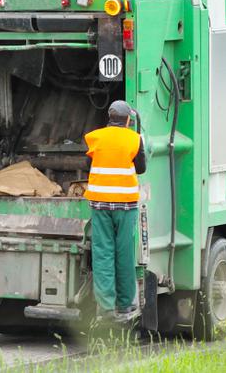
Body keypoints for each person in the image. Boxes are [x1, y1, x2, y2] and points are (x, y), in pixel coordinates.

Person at [84, 100, 146, 322]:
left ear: (109, 118)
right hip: (126, 206)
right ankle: (126, 305)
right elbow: (141, 167)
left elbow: (88, 164)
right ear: (128, 120)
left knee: (103, 254)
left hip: (100, 204)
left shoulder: (95, 137)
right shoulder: (135, 139)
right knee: (124, 254)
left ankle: (106, 308)